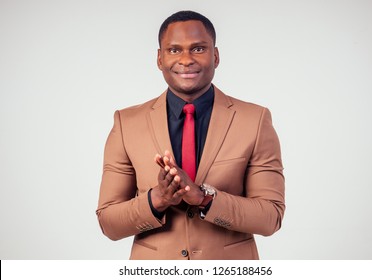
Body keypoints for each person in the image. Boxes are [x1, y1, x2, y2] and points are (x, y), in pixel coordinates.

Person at [96, 10, 285, 260]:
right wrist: (158, 199)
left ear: (215, 56)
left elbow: (270, 217)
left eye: (198, 48)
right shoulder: (126, 123)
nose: (186, 59)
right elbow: (109, 222)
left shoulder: (255, 120)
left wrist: (205, 198)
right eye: (174, 50)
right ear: (159, 59)